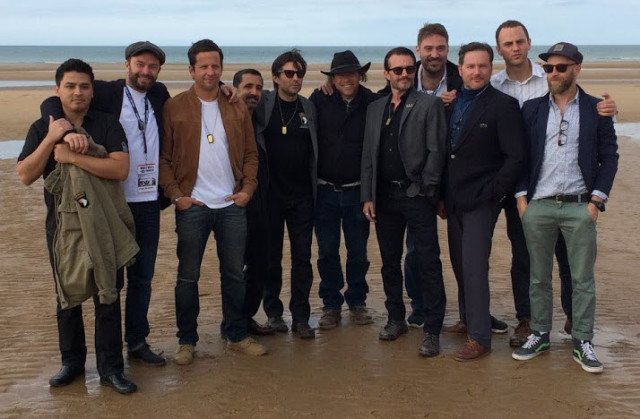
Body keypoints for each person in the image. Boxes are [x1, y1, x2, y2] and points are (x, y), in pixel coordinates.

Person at [41, 41, 170, 365]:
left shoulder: (159, 94)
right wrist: (63, 126)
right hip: (110, 203)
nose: (145, 71)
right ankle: (82, 359)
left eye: (152, 66)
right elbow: (56, 98)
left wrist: (226, 89)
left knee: (142, 278)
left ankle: (137, 342)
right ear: (127, 65)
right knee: (105, 280)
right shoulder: (108, 91)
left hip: (149, 202)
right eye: (140, 64)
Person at [491, 20, 619, 347]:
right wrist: (521, 197)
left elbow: (606, 150)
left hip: (573, 199)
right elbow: (518, 150)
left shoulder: (580, 99)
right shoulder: (508, 94)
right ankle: (533, 325)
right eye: (549, 67)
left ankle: (578, 328)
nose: (553, 72)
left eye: (561, 67)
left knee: (574, 268)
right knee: (530, 266)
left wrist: (596, 201)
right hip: (530, 196)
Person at [18, 59, 137, 393]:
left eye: (84, 86)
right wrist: (53, 139)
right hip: (62, 227)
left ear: (93, 90)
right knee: (66, 296)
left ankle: (111, 368)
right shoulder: (43, 126)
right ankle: (71, 363)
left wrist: (72, 157)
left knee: (108, 296)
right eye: (70, 86)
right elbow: (26, 174)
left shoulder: (107, 124)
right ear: (58, 90)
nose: (78, 92)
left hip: (105, 223)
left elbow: (120, 169)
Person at [159, 39, 264, 365]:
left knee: (234, 274)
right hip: (194, 205)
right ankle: (186, 341)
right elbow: (163, 158)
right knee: (188, 276)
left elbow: (250, 154)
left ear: (221, 69)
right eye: (203, 66)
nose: (209, 71)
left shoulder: (235, 105)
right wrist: (176, 194)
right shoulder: (174, 106)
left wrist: (247, 189)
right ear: (191, 69)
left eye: (215, 66)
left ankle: (235, 334)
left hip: (232, 204)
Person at [361, 47, 447, 357]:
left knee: (428, 262)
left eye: (409, 69)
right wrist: (367, 196)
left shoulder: (429, 104)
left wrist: (427, 189)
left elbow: (437, 151)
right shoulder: (375, 108)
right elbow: (368, 156)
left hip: (416, 196)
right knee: (389, 262)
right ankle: (395, 318)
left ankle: (433, 329)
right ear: (386, 74)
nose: (404, 75)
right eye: (397, 70)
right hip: (384, 199)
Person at [441, 42, 525, 361]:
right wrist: (440, 196)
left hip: (482, 201)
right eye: (471, 66)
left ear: (492, 69)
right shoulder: (449, 103)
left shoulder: (503, 105)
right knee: (461, 265)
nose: (477, 72)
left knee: (475, 267)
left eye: (483, 66)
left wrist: (493, 193)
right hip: (453, 199)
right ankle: (468, 319)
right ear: (459, 69)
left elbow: (515, 158)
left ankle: (481, 338)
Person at [310, 50, 378, 330]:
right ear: (333, 78)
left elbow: (401, 92)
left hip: (358, 192)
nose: (346, 79)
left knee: (358, 252)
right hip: (324, 191)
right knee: (327, 252)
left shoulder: (373, 102)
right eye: (340, 74)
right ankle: (330, 305)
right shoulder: (319, 99)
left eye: (351, 73)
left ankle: (358, 302)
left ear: (360, 75)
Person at [256, 50, 318, 339]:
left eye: (300, 74)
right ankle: (274, 314)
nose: (296, 79)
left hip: (303, 197)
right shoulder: (264, 104)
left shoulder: (309, 107)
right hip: (270, 197)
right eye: (290, 73)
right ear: (276, 76)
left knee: (302, 259)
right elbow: (236, 98)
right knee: (271, 259)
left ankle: (302, 317)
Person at [231, 68, 275, 336]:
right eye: (248, 87)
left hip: (262, 204)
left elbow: (282, 90)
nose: (254, 93)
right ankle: (233, 324)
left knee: (260, 265)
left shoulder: (260, 116)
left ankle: (246, 317)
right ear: (234, 88)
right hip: (234, 205)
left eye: (259, 88)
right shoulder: (226, 117)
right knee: (235, 269)